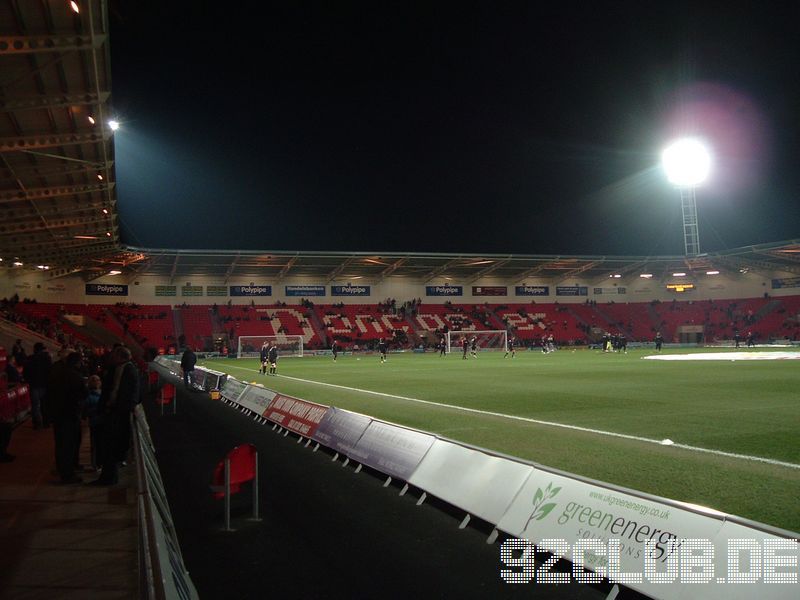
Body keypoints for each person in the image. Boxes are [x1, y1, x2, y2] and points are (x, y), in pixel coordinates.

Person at [91, 346, 139, 486]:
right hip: (115, 412)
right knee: (109, 447)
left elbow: (128, 393)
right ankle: (108, 477)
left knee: (110, 446)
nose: (111, 358)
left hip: (117, 414)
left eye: (114, 356)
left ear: (120, 357)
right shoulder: (122, 369)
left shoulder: (128, 370)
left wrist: (117, 409)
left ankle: (108, 478)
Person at [47, 351, 86, 484]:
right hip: (70, 414)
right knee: (69, 445)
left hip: (58, 414)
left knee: (61, 444)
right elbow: (83, 394)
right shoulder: (75, 376)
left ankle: (63, 469)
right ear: (77, 362)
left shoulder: (57, 373)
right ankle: (67, 474)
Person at [24, 342, 51, 429]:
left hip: (34, 385)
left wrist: (28, 380)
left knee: (35, 405)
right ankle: (46, 422)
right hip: (44, 384)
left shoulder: (30, 358)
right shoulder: (47, 358)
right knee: (45, 404)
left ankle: (37, 423)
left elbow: (26, 372)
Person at [84, 375, 103, 471]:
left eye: (98, 380)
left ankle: (100, 462)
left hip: (101, 421)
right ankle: (96, 463)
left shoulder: (102, 394)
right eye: (94, 380)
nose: (96, 382)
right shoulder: (89, 396)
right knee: (95, 444)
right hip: (95, 422)